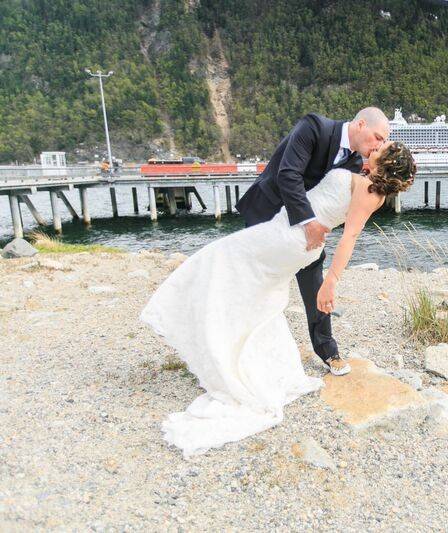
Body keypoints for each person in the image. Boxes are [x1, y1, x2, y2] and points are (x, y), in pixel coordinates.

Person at [140, 139, 416, 456]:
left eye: (384, 146)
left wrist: (331, 282)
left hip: (292, 239)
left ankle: (187, 328)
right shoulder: (363, 177)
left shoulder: (370, 194)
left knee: (218, 256)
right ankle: (232, 355)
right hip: (286, 230)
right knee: (253, 292)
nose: (379, 144)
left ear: (387, 161)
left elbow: (349, 238)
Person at [235, 108, 390, 376]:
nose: (379, 145)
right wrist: (309, 223)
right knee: (256, 285)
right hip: (269, 212)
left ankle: (328, 351)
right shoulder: (314, 127)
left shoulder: (354, 163)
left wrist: (319, 229)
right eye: (377, 137)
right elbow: (288, 174)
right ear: (361, 124)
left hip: (309, 230)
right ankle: (242, 348)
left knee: (315, 281)